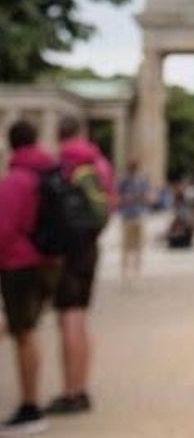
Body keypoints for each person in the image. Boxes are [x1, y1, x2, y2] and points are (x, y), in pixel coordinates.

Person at [47, 115, 114, 417]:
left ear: (58, 134)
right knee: (80, 318)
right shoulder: (98, 163)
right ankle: (82, 387)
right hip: (89, 246)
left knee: (69, 319)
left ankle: (70, 391)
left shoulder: (62, 164)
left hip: (67, 250)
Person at [0, 120, 60, 434]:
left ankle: (30, 406)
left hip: (19, 263)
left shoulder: (16, 180)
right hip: (47, 261)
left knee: (24, 333)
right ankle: (30, 402)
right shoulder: (50, 173)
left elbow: (4, 229)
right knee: (25, 329)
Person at [117, 159, 150, 285]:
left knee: (139, 245)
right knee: (126, 246)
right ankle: (125, 270)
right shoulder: (123, 181)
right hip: (127, 216)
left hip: (139, 215)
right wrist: (126, 198)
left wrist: (141, 197)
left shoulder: (142, 181)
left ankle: (136, 270)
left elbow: (147, 197)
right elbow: (118, 197)